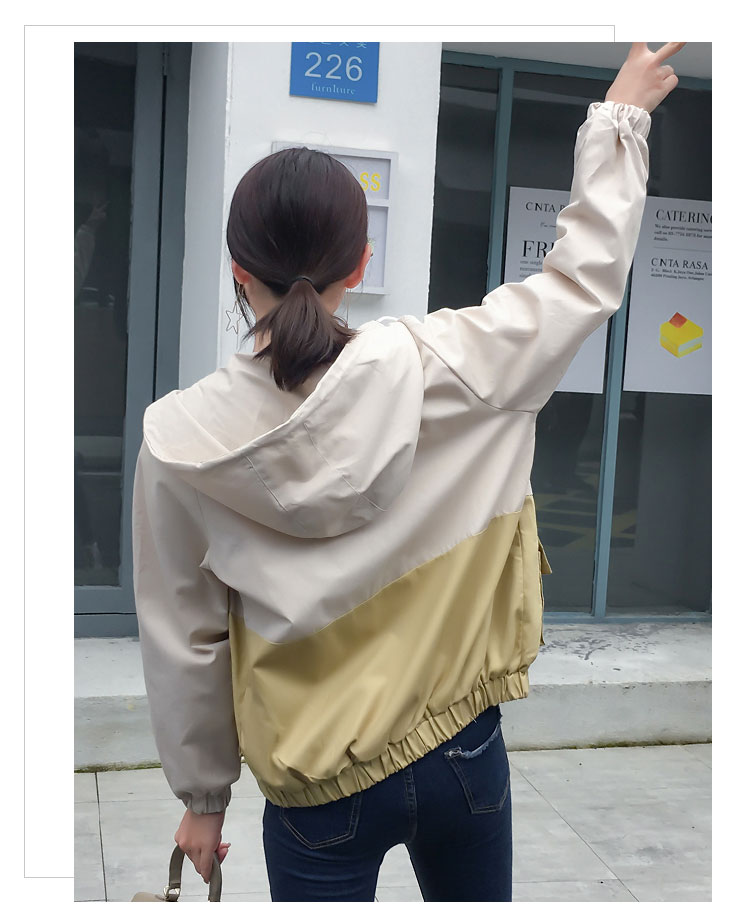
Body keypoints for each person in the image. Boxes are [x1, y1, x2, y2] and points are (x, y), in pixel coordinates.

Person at [131, 42, 685, 902]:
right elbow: (581, 281)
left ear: (239, 271)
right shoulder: (454, 363)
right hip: (462, 747)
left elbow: (185, 637)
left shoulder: (180, 441)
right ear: (360, 265)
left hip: (316, 780)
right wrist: (619, 121)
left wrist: (204, 800)